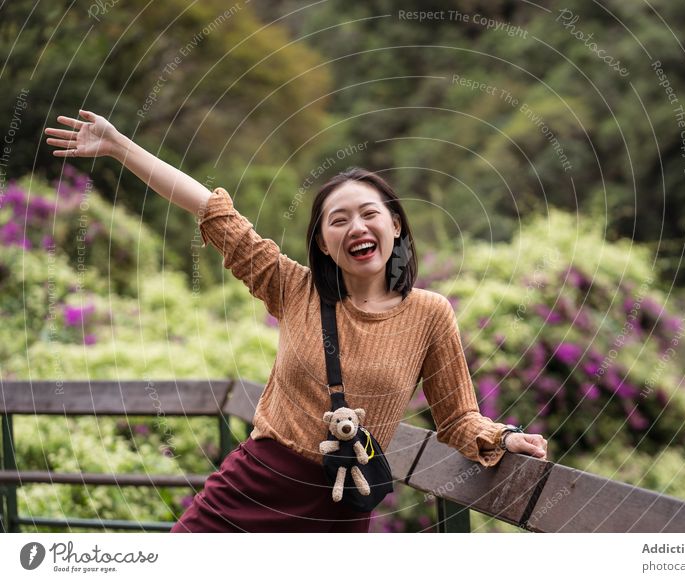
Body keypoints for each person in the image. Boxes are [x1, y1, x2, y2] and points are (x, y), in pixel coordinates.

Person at [44, 110, 549, 533]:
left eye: (369, 213)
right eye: (339, 219)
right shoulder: (294, 287)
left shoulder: (429, 314)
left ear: (395, 224)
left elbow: (458, 418)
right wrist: (118, 146)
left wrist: (503, 439)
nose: (357, 227)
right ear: (324, 242)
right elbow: (212, 210)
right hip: (251, 488)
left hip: (339, 510)